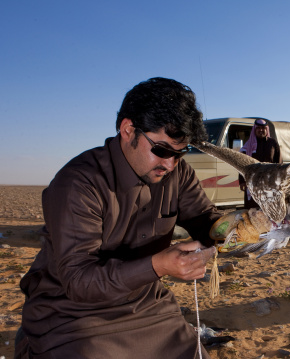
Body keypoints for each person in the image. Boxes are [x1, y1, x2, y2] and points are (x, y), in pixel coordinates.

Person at [15, 77, 223, 359]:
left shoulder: (178, 173)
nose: (170, 164)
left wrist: (241, 228)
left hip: (147, 306)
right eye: (162, 150)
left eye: (180, 153)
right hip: (72, 314)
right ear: (128, 130)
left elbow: (205, 220)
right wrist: (158, 265)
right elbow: (79, 281)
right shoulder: (78, 183)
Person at [238, 118, 282, 209]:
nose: (261, 130)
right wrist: (242, 181)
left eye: (263, 128)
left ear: (267, 129)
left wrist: (279, 180)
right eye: (258, 128)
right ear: (255, 129)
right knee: (252, 211)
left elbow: (279, 163)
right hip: (252, 183)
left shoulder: (273, 144)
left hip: (269, 183)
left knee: (268, 209)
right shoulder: (248, 146)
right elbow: (241, 164)